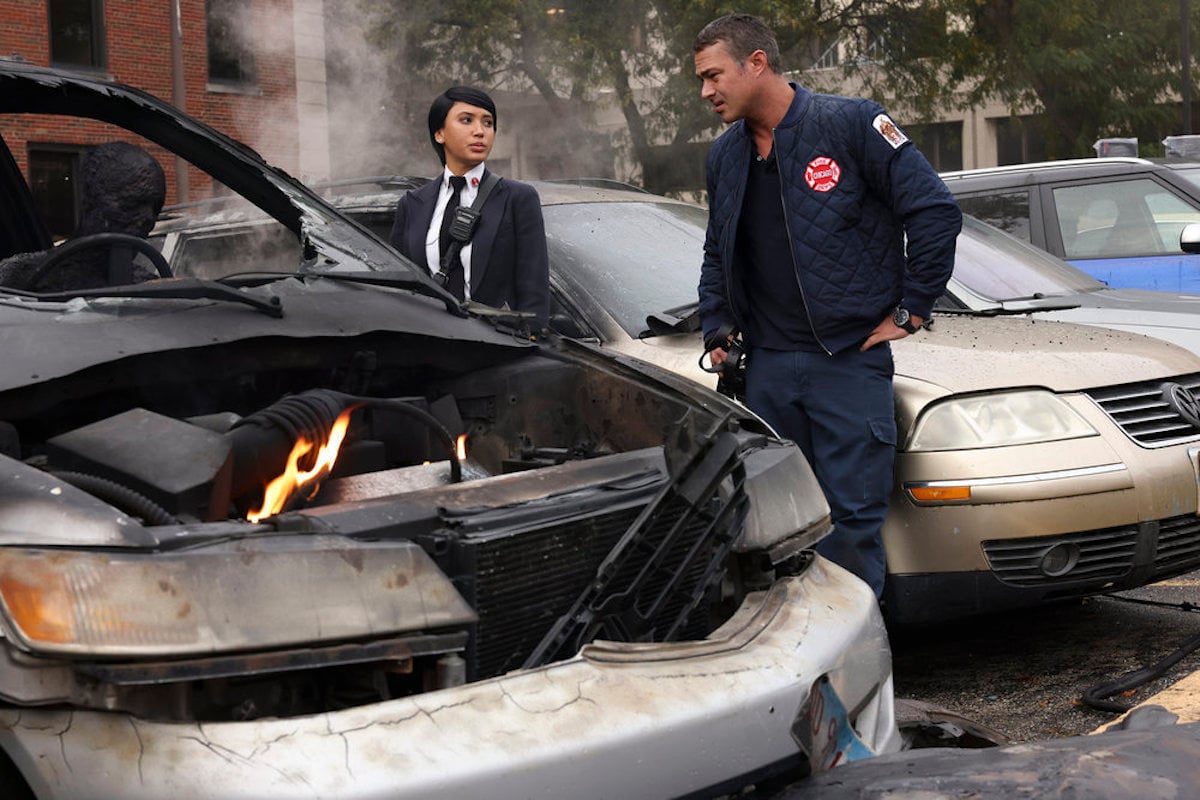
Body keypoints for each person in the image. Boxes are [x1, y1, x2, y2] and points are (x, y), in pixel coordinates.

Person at [693, 13, 962, 599]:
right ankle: (798, 675)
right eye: (702, 80)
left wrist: (912, 308)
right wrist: (716, 324)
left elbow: (935, 212)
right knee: (778, 529)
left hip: (845, 362)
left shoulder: (853, 123)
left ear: (756, 63)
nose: (707, 92)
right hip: (764, 372)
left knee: (850, 527)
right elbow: (718, 250)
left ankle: (855, 674)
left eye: (714, 76)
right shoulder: (724, 157)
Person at [389, 86, 550, 331]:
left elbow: (534, 289)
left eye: (488, 123)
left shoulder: (518, 198)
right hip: (429, 346)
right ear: (439, 133)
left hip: (495, 350)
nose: (480, 131)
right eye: (467, 120)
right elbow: (400, 289)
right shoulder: (412, 203)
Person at [0, 141, 166, 291]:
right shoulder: (20, 275)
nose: (148, 218)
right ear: (90, 199)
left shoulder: (146, 285)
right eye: (133, 203)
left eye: (156, 207)